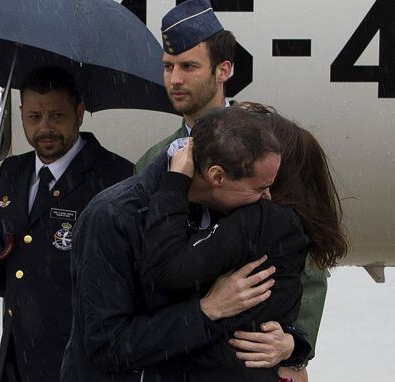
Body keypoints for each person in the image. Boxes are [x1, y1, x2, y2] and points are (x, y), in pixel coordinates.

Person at [135, 1, 327, 379]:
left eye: (189, 67)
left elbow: (309, 260)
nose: (175, 80)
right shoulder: (154, 162)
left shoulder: (272, 149)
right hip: (180, 356)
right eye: (168, 67)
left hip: (252, 358)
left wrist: (293, 349)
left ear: (224, 70)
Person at [61, 107, 311, 381]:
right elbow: (108, 346)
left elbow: (267, 297)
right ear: (216, 177)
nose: (267, 198)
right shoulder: (113, 217)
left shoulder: (233, 208)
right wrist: (207, 310)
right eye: (258, 188)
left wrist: (290, 343)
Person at [138, 104, 347, 380]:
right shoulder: (283, 227)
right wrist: (295, 345)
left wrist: (174, 184)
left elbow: (165, 272)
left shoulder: (260, 221)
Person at [0, 66, 134, 381]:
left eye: (56, 115)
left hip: (80, 363)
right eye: (34, 117)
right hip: (18, 359)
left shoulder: (116, 176)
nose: (45, 128)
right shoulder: (13, 172)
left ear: (79, 113)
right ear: (22, 113)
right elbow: (11, 277)